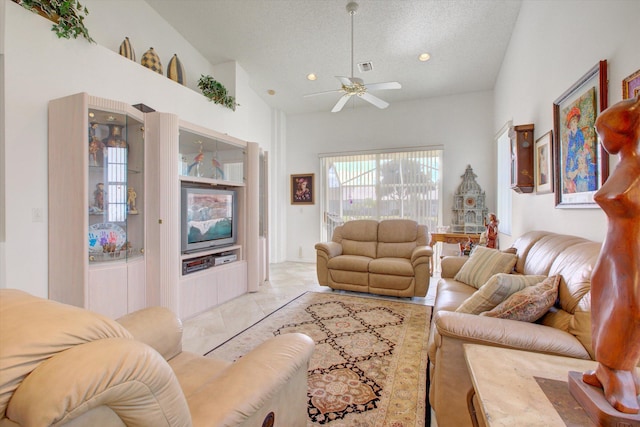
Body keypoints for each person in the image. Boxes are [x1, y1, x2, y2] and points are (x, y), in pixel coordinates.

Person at [582, 96, 640, 414]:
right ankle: (607, 370)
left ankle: (619, 371)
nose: (601, 140)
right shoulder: (623, 166)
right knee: (609, 303)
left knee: (629, 307)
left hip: (631, 252)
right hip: (611, 252)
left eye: (603, 132)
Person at [564, 106, 596, 193]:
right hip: (573, 162)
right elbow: (568, 155)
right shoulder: (569, 137)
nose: (573, 125)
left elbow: (582, 147)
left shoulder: (579, 134)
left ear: (577, 122)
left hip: (580, 160)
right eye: (571, 123)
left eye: (574, 122)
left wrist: (583, 153)